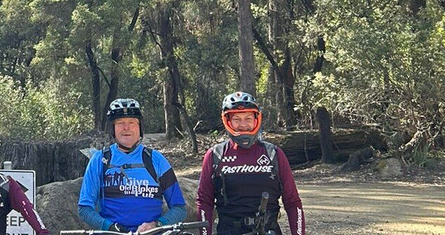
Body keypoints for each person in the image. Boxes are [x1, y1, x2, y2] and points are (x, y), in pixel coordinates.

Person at [196, 92, 304, 235]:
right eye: (237, 119)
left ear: (256, 119)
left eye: (248, 118)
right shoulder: (215, 156)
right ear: (227, 121)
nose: (243, 125)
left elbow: (292, 202)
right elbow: (204, 201)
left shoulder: (274, 154)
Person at [78, 98, 188, 233]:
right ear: (112, 128)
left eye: (132, 122)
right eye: (120, 123)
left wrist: (157, 225)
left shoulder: (157, 160)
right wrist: (109, 226)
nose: (126, 127)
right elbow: (84, 208)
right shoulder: (99, 160)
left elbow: (179, 208)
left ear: (140, 127)